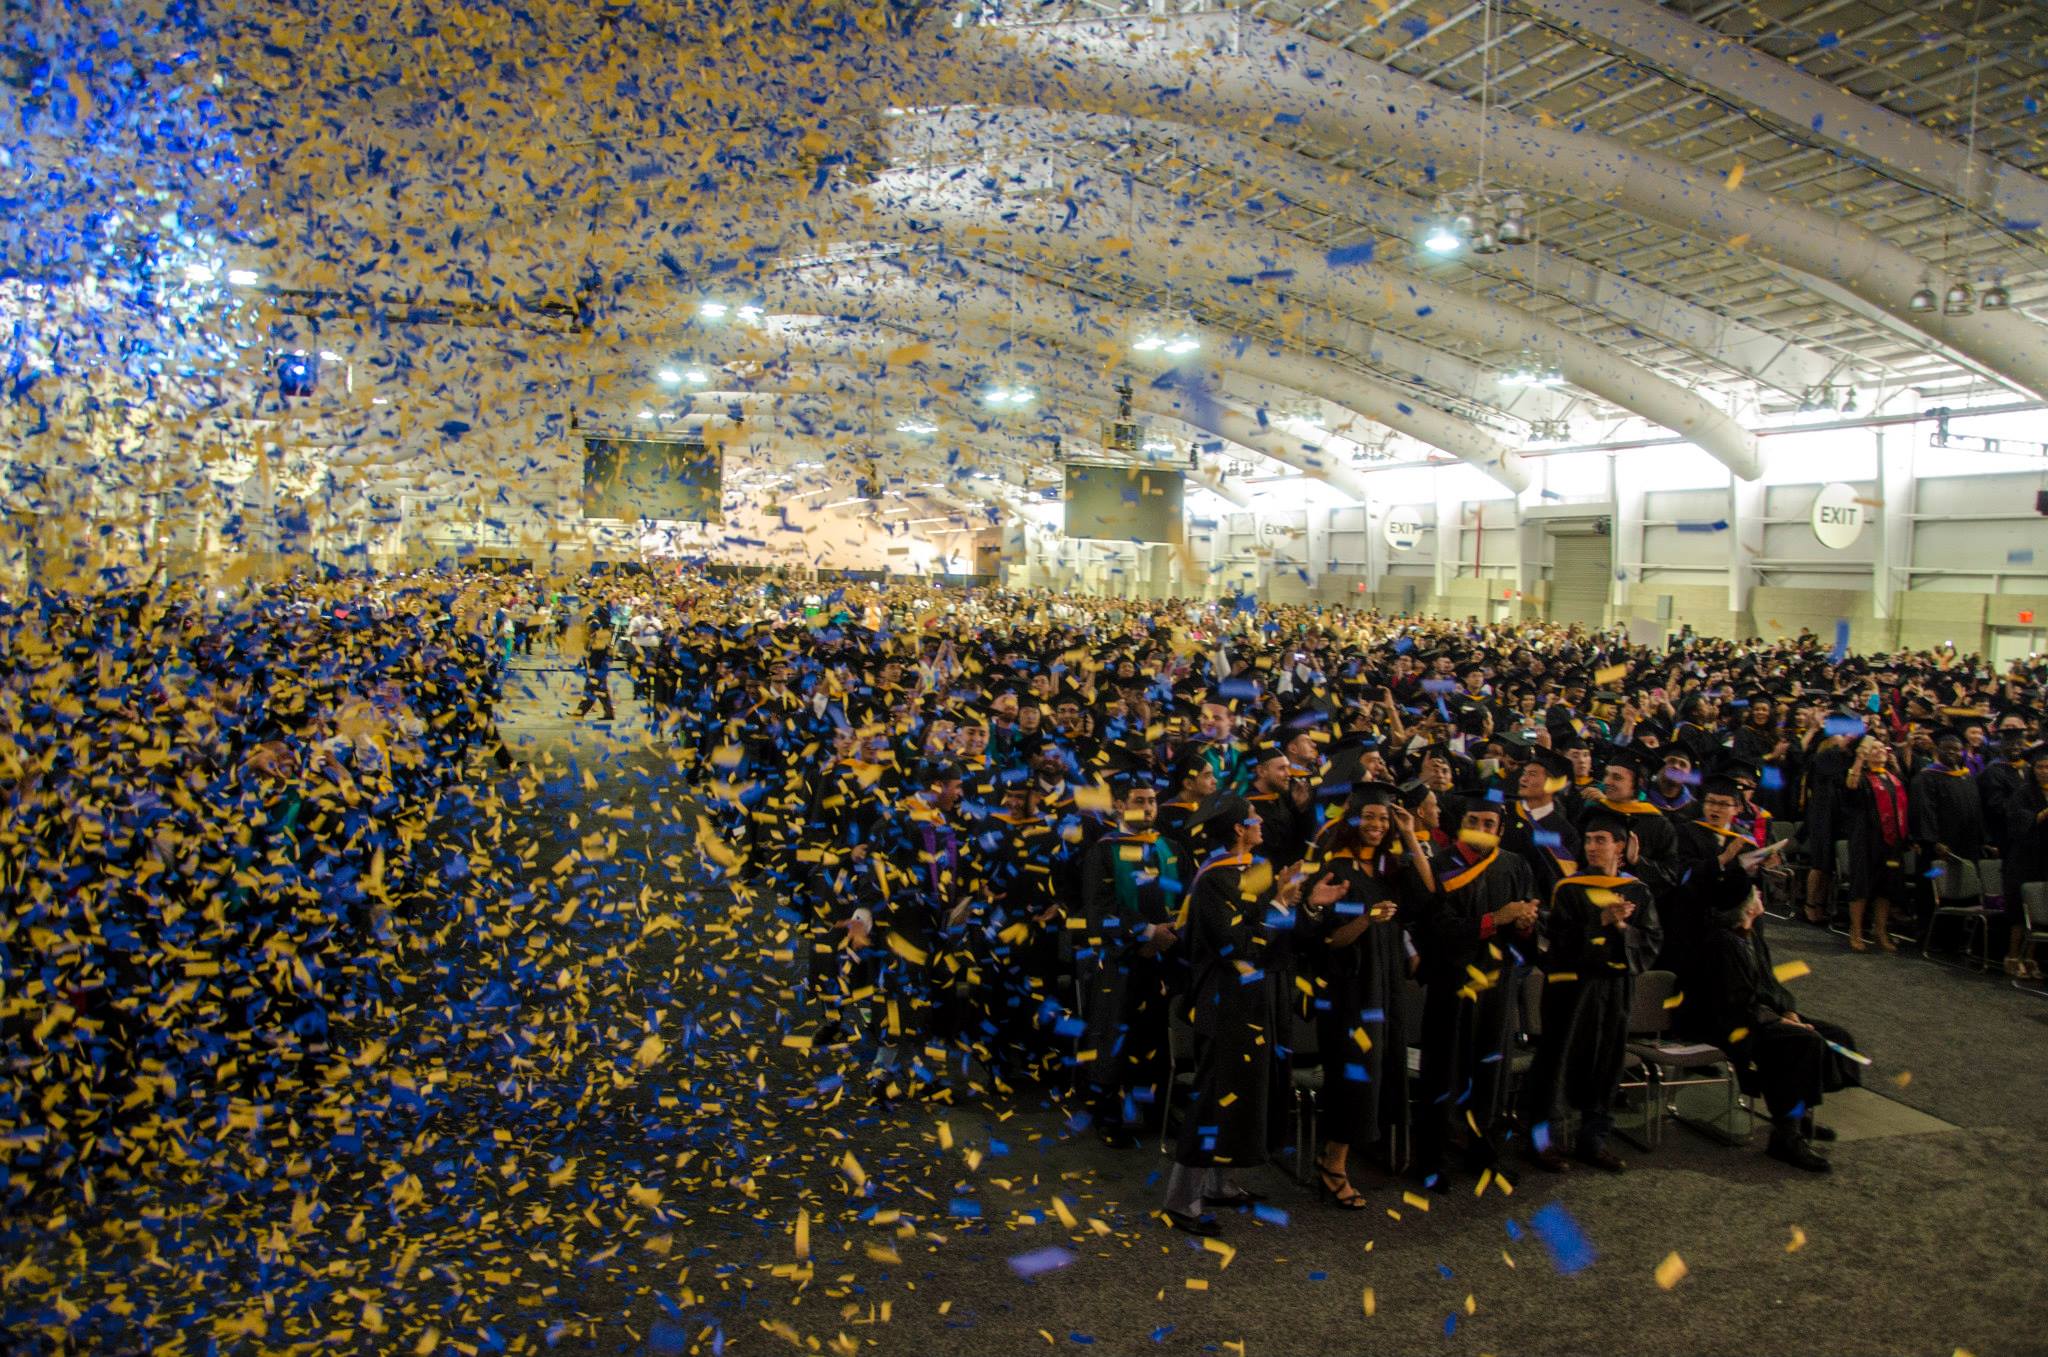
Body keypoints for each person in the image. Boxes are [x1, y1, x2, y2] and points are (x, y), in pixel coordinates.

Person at [1161, 794, 1340, 1236]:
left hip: (1262, 996)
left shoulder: (1253, 868)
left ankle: (1222, 1183)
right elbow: (1236, 946)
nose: (1260, 821)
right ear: (1239, 828)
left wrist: (1307, 904)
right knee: (1212, 1096)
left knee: (1246, 1095)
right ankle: (1182, 1200)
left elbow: (1277, 938)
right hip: (1226, 1001)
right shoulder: (1214, 880)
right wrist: (1280, 905)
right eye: (1253, 818)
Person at [1295, 783, 1431, 1207]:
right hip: (1350, 989)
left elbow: (1429, 892)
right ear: (1353, 820)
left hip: (1385, 983)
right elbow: (1327, 941)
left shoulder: (1387, 867)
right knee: (1355, 1074)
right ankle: (1332, 1164)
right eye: (1370, 816)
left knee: (1382, 1067)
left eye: (1384, 818)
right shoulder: (1335, 869)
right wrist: (1368, 921)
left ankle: (1354, 1151)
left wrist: (1409, 834)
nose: (1377, 825)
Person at [1521, 805, 1661, 1174]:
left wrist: (1621, 930)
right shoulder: (1569, 889)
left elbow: (1650, 943)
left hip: (1615, 991)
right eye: (1588, 840)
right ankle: (1541, 1141)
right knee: (1556, 1063)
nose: (1593, 847)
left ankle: (1593, 1140)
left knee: (1606, 1063)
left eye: (1601, 840)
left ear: (1620, 847)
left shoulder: (1638, 891)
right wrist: (1600, 924)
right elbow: (1558, 946)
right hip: (1572, 992)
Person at [1683, 884, 1860, 1173]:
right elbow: (1735, 1001)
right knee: (1805, 1042)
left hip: (1762, 1015)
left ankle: (1798, 1110)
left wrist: (1788, 1010)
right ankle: (1785, 1135)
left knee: (1837, 1036)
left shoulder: (1752, 938)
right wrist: (1778, 1020)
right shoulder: (1723, 944)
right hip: (1734, 1025)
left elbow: (1772, 986)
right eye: (1756, 895)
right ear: (1748, 908)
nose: (1761, 897)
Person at [1413, 801, 1540, 1188]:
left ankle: (1483, 1152)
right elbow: (1437, 928)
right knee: (1444, 1071)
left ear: (1499, 830)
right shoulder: (1440, 866)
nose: (1481, 827)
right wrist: (1496, 920)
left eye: (1489, 822)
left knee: (1490, 1069)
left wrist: (1523, 923)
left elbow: (1524, 925)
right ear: (1461, 824)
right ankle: (1431, 1161)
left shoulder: (1514, 864)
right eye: (1473, 820)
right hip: (1452, 983)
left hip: (1496, 983)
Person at [1078, 768, 1188, 1147]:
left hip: (1163, 959)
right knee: (1115, 1036)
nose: (1148, 807)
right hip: (1120, 960)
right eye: (1139, 801)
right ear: (1121, 805)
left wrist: (1170, 933)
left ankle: (1156, 1108)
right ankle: (1108, 1114)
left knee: (1155, 1035)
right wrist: (1145, 934)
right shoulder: (1103, 850)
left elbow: (1186, 897)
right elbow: (1099, 908)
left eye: (1152, 800)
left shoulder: (1169, 847)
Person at [1840, 735, 1911, 952]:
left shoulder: (1894, 779)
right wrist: (1860, 759)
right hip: (1865, 840)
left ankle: (1880, 930)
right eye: (1875, 748)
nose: (1880, 750)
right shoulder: (1862, 778)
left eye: (1883, 747)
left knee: (1886, 888)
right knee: (1861, 886)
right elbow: (1850, 787)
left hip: (1891, 843)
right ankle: (1856, 931)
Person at [571, 603, 617, 722]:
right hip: (598, 665)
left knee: (591, 689)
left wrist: (593, 666)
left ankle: (580, 712)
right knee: (601, 689)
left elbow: (600, 652)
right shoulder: (601, 631)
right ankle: (609, 712)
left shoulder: (603, 633)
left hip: (598, 666)